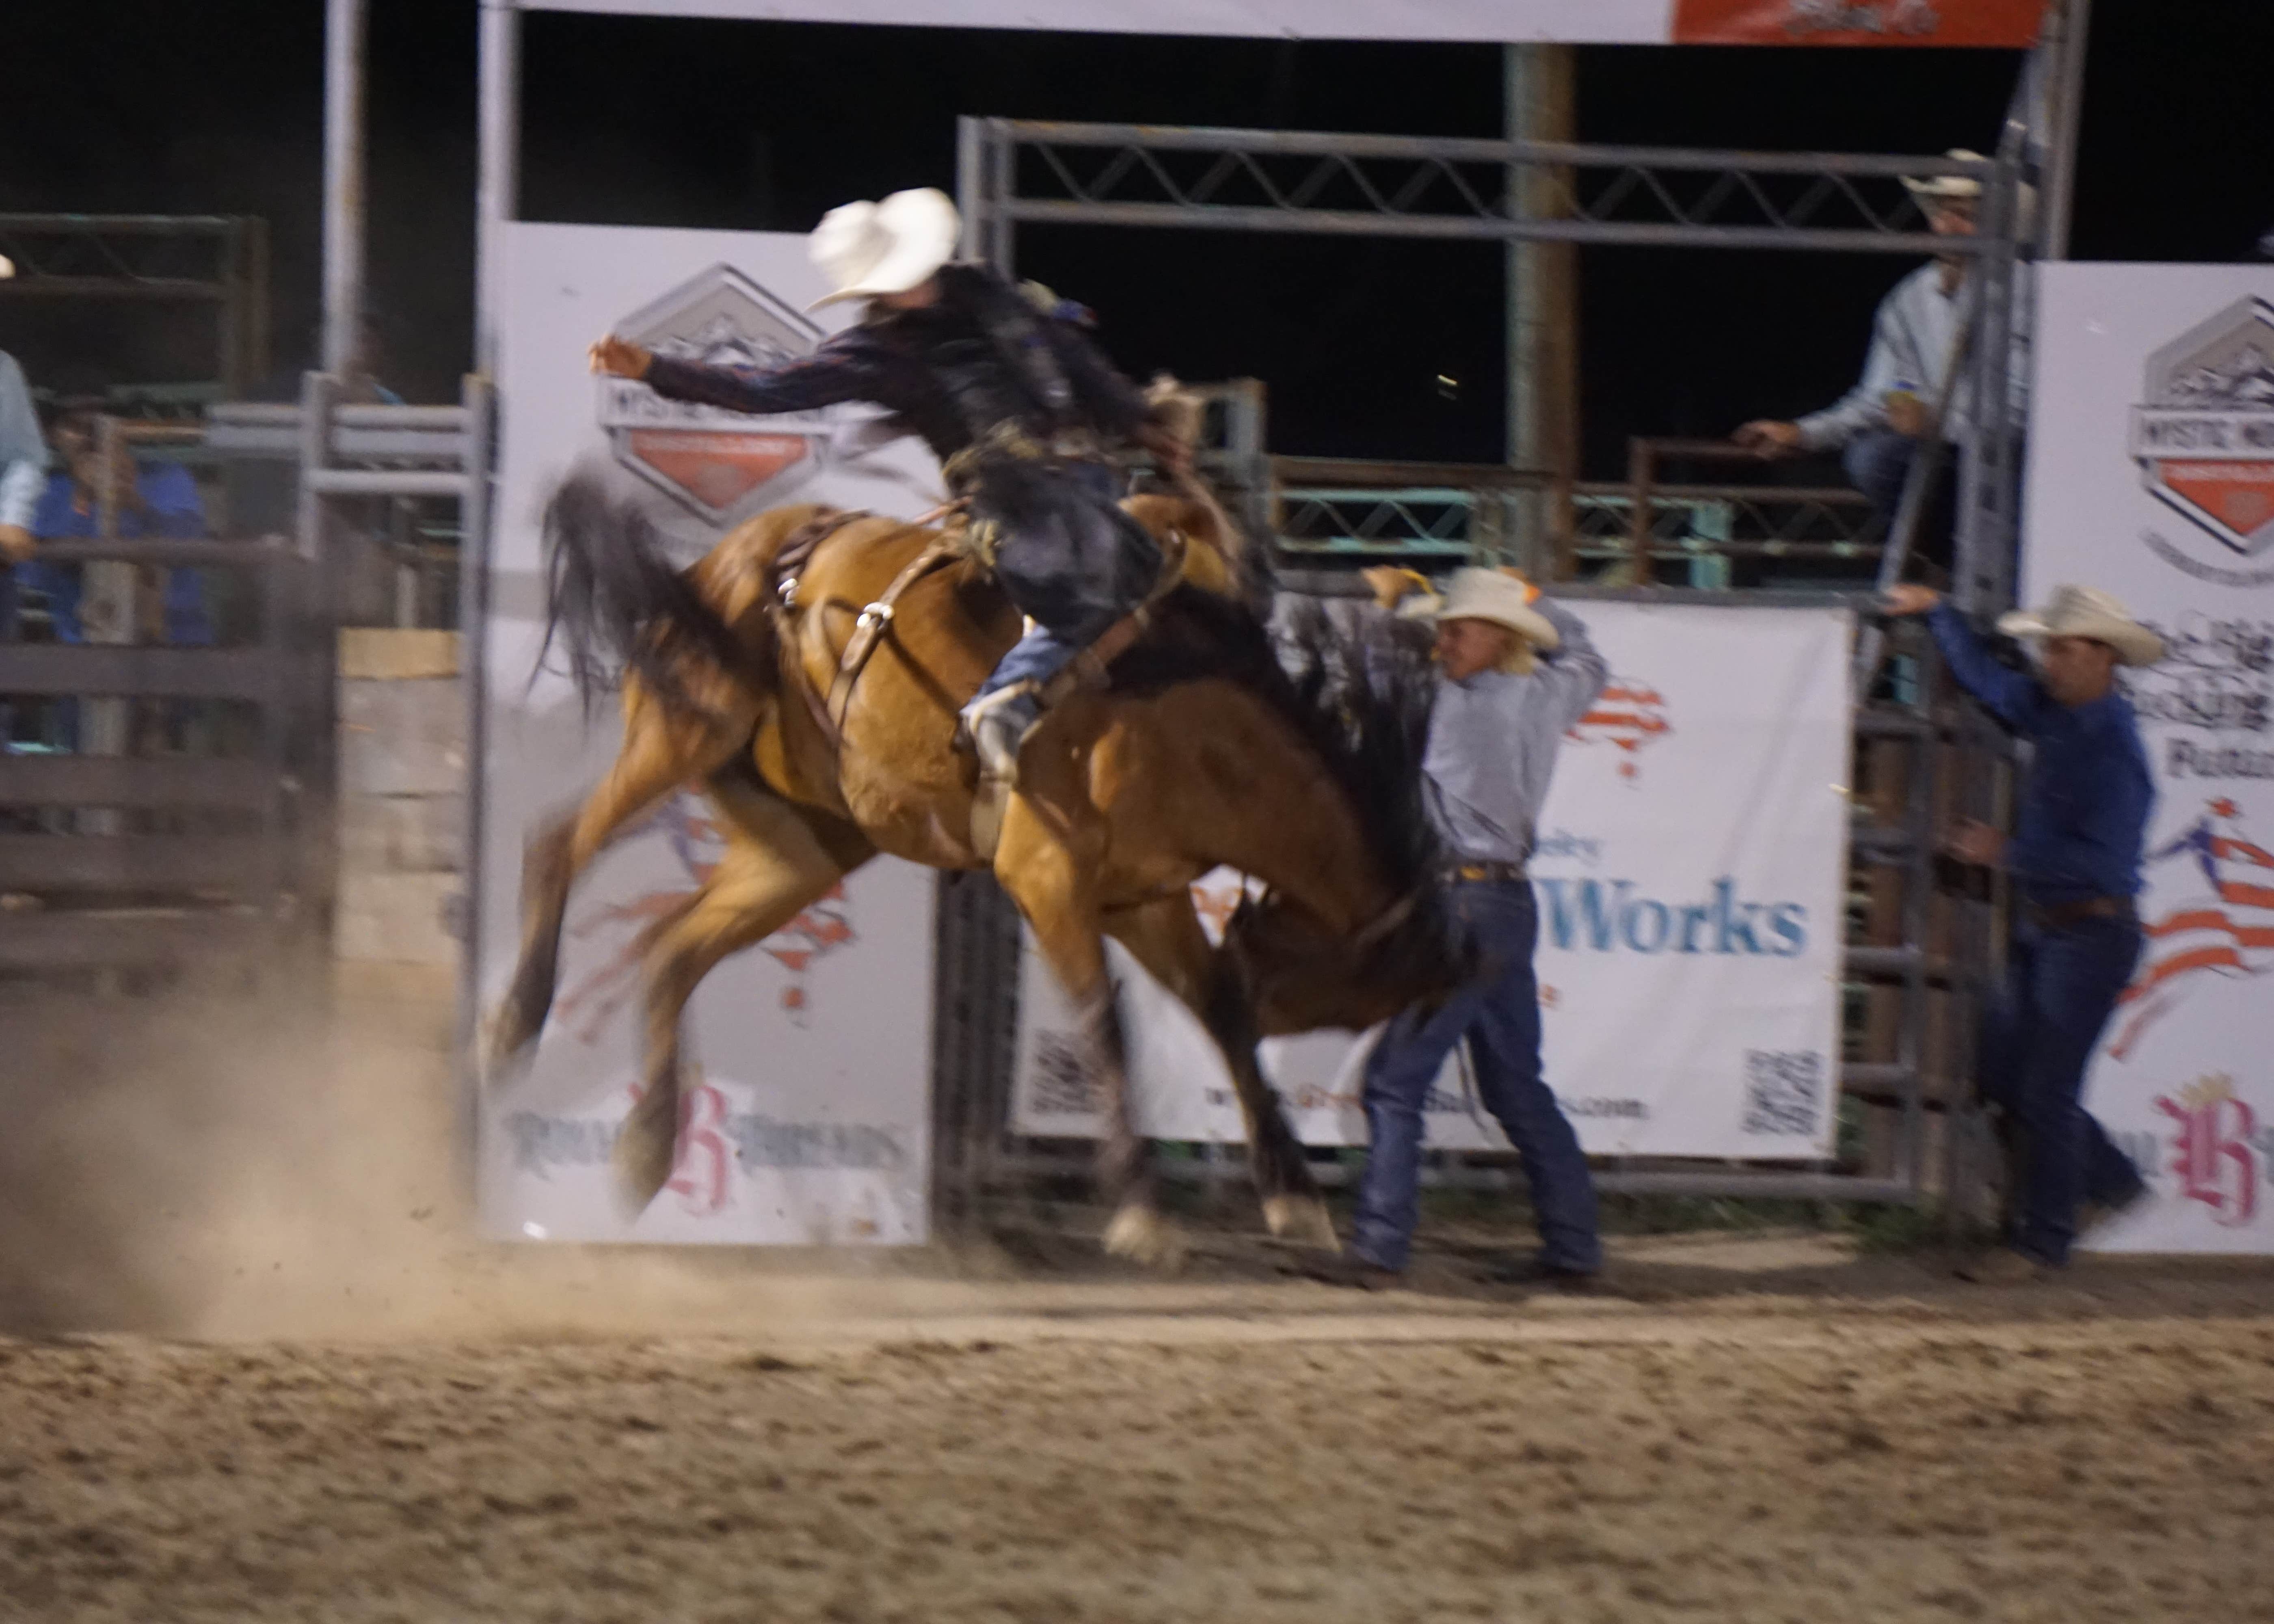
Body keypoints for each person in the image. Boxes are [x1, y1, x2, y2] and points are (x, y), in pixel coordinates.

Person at [586, 187, 1190, 789]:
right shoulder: (874, 353)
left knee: (1185, 583)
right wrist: (655, 370)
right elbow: (766, 390)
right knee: (1107, 592)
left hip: (1086, 478)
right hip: (1016, 500)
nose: (911, 281)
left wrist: (1141, 420)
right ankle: (1004, 700)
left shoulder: (990, 296)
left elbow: (1072, 362)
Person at [1306, 566, 1610, 1291]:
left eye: (1461, 629)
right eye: (1446, 629)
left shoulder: (1455, 710)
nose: (1445, 641)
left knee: (1395, 1080)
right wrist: (1534, 597)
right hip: (1505, 907)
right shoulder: (1543, 696)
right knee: (1516, 1088)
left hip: (1458, 907)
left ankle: (1381, 1247)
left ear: (1499, 638)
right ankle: (1573, 1246)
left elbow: (1379, 678)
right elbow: (1588, 657)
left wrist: (1392, 605)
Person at [1884, 581, 2165, 1283]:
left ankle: (2045, 1241)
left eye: (2063, 649)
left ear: (2103, 658)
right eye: (2050, 648)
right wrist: (1940, 614)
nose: (2050, 661)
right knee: (2012, 1075)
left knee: (2042, 1088)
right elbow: (1990, 683)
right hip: (2060, 932)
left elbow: (2104, 864)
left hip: (2089, 934)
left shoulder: (2113, 754)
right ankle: (2108, 1183)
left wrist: (2004, 852)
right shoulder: (2070, 721)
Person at [1733, 150, 2029, 571]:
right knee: (1873, 458)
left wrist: (1933, 421)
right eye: (1939, 213)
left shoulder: (2025, 292)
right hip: (1949, 463)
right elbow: (1878, 398)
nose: (1946, 226)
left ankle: (1979, 567)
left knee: (1891, 459)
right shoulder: (1909, 299)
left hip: (2018, 464)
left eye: (1962, 214)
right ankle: (1953, 564)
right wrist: (1802, 433)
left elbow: (2024, 412)